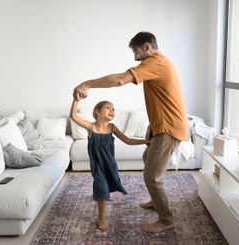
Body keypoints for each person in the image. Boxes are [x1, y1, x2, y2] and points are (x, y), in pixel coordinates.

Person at [73, 31, 188, 233]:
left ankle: (166, 219)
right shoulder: (159, 64)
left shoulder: (156, 62)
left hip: (169, 129)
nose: (135, 57)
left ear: (147, 47)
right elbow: (163, 100)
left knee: (152, 176)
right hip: (163, 126)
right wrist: (152, 126)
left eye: (136, 51)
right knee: (147, 157)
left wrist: (88, 84)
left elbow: (119, 80)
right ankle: (155, 200)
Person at [70, 99, 149, 232]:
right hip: (97, 165)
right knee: (101, 184)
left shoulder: (112, 128)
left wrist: (145, 141)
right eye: (108, 108)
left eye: (113, 109)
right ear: (97, 112)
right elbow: (73, 116)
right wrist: (76, 100)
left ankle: (105, 193)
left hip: (110, 164)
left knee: (110, 182)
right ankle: (101, 218)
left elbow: (128, 140)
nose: (112, 111)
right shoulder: (91, 127)